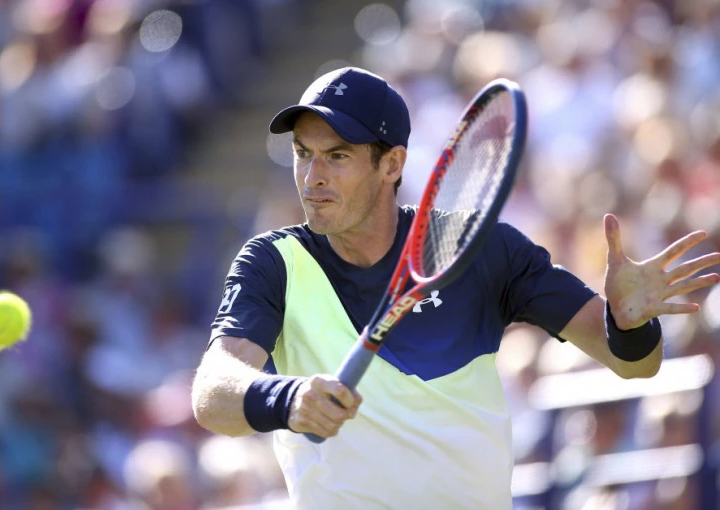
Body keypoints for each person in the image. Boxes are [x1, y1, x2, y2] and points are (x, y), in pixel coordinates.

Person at [191, 67, 720, 508]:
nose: (312, 178)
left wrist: (628, 323)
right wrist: (286, 397)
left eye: (338, 156)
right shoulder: (272, 262)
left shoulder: (482, 249)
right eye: (303, 153)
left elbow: (634, 365)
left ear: (392, 164)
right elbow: (212, 392)